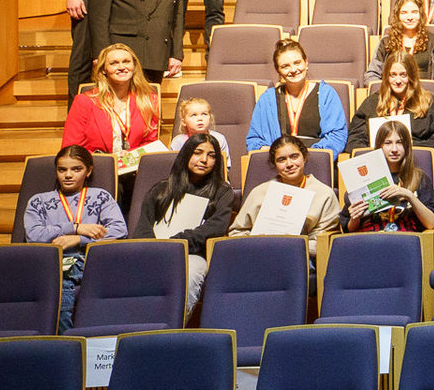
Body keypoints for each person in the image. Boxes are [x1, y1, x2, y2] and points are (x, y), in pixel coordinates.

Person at [129, 134, 235, 315]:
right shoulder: (161, 189)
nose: (204, 160)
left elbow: (215, 227)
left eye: (211, 155)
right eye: (197, 153)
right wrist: (155, 249)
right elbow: (144, 226)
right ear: (186, 154)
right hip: (154, 251)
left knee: (190, 274)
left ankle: (170, 325)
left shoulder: (222, 191)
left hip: (192, 254)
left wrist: (178, 242)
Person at [27, 145, 127, 331]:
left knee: (62, 277)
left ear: (88, 171)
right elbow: (34, 235)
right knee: (57, 274)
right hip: (51, 261)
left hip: (89, 260)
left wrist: (79, 240)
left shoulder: (100, 197)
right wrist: (75, 228)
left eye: (76, 169)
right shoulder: (38, 201)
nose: (68, 175)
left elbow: (119, 230)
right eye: (62, 170)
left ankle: (65, 337)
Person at [228, 134, 342, 249]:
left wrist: (291, 247)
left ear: (304, 157)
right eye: (281, 160)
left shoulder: (324, 194)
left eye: (294, 157)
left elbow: (321, 241)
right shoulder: (259, 192)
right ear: (274, 164)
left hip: (303, 255)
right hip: (259, 251)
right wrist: (258, 244)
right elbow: (237, 232)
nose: (289, 164)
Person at [247, 39, 347, 154]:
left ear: (306, 62)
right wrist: (274, 155)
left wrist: (307, 156)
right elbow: (254, 140)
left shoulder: (326, 94)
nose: (293, 70)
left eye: (297, 63)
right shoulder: (267, 99)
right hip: (279, 162)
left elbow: (337, 136)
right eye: (285, 66)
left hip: (316, 159)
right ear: (278, 71)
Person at [62, 43, 163, 156]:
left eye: (126, 62)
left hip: (134, 164)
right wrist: (106, 160)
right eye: (114, 63)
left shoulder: (149, 100)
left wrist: (129, 156)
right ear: (103, 70)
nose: (121, 67)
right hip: (96, 164)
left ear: (134, 66)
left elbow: (150, 144)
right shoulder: (84, 101)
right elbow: (71, 148)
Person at [341, 121, 434, 234]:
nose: (394, 149)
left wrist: (409, 196)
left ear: (407, 146)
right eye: (388, 143)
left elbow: (431, 223)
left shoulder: (419, 178)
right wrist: (355, 218)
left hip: (406, 238)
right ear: (379, 146)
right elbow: (349, 230)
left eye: (400, 143)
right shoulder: (364, 178)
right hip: (371, 238)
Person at [353, 52, 434, 152]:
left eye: (403, 75)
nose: (398, 81)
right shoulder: (372, 103)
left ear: (412, 76)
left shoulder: (427, 102)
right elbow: (354, 140)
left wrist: (405, 145)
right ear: (386, 77)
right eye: (393, 75)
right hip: (379, 158)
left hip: (415, 158)